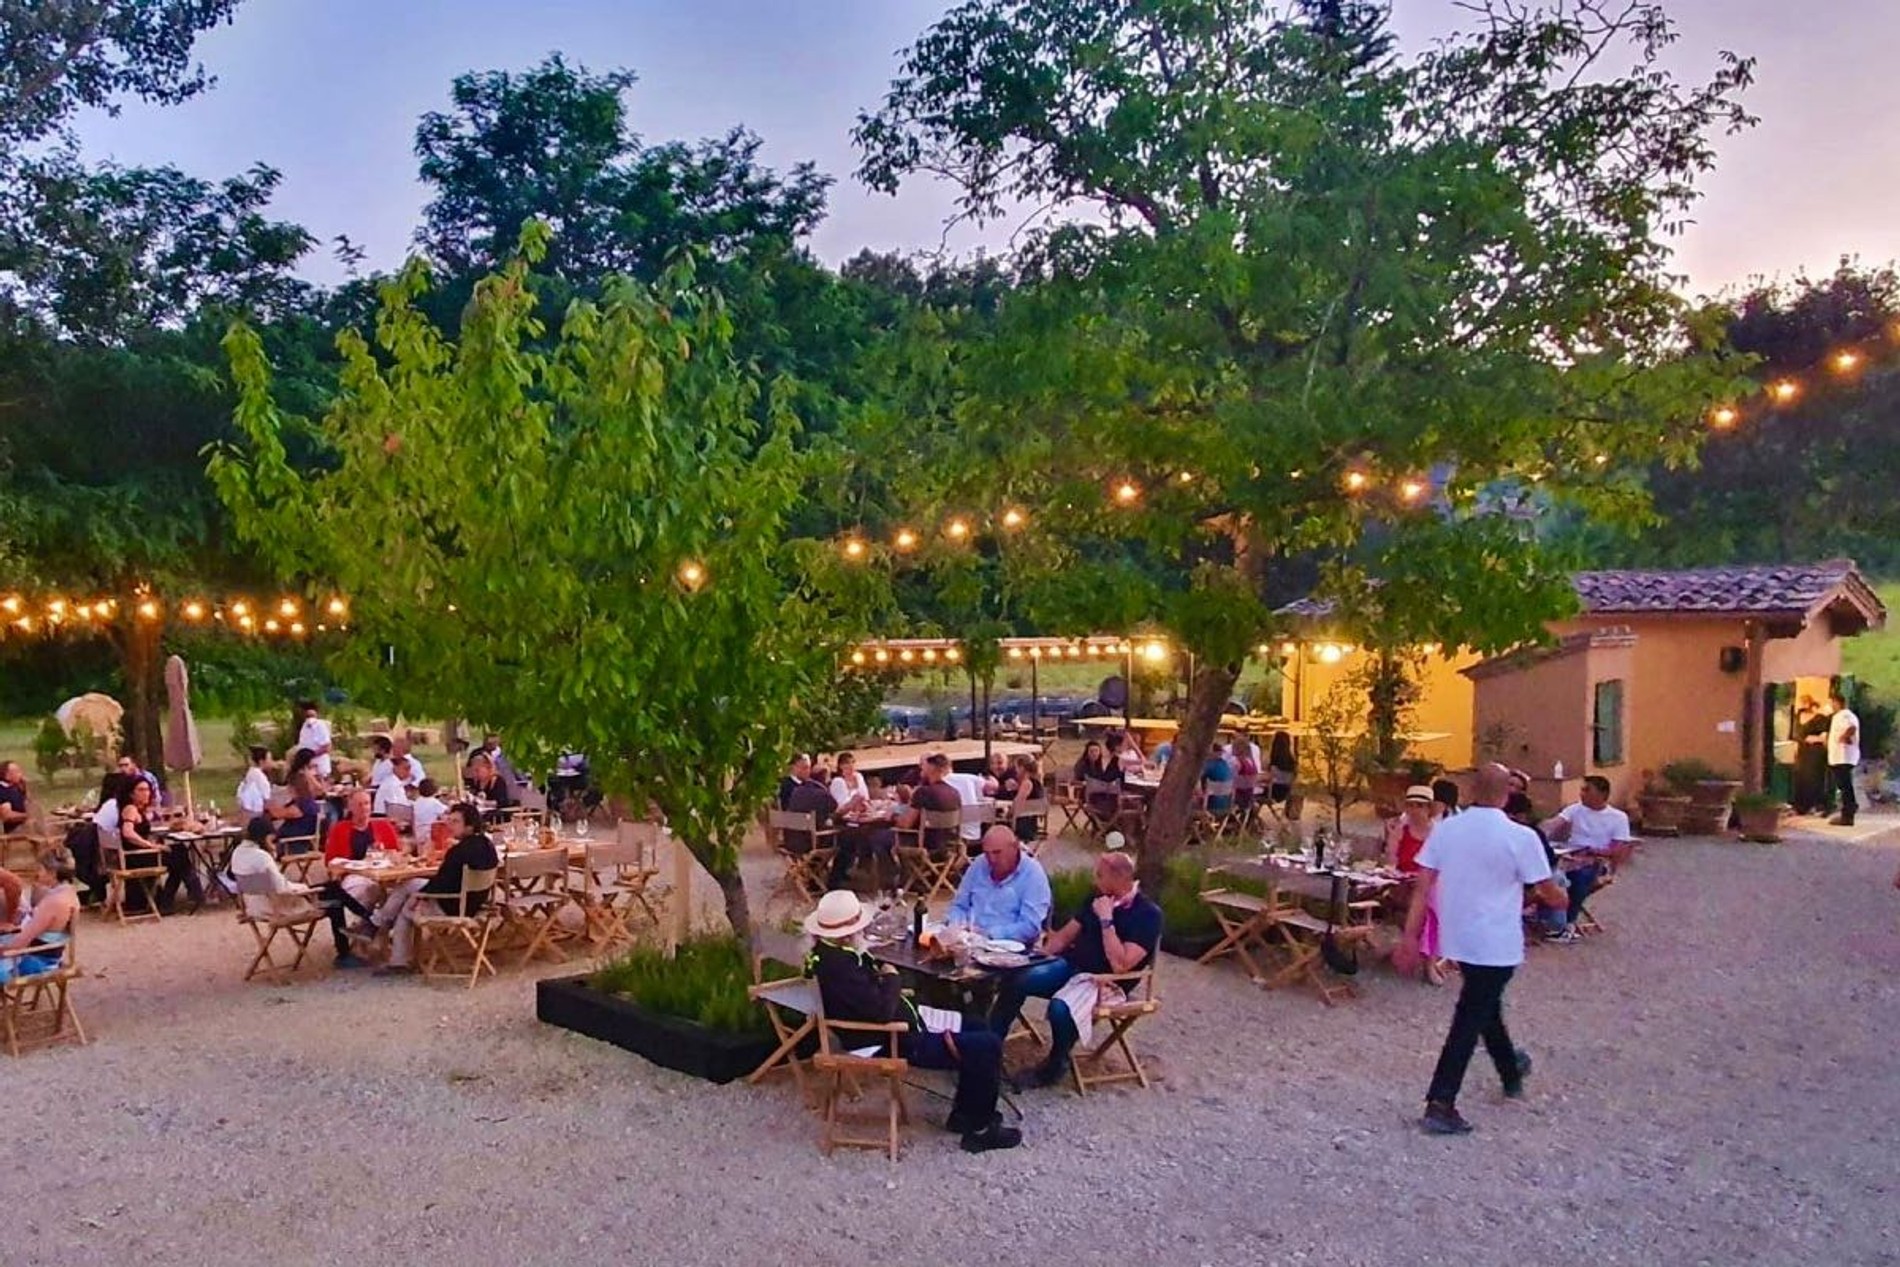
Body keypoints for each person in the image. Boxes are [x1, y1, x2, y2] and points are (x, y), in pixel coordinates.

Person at [1395, 763, 1567, 1135]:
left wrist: (1410, 937)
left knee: (1483, 1006)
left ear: (1472, 790)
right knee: (1471, 1016)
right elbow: (1546, 889)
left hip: (1458, 936)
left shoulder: (1446, 831)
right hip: (1496, 941)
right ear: (1507, 794)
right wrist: (1561, 898)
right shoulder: (1520, 837)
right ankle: (1441, 1102)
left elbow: (1423, 887)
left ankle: (1510, 1069)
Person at [805, 889, 1020, 1153]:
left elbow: (867, 1000)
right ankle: (979, 1128)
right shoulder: (841, 968)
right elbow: (882, 1011)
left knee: (976, 1025)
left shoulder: (830, 956)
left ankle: (965, 1114)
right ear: (848, 933)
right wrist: (892, 978)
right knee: (986, 1046)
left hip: (899, 1026)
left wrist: (888, 983)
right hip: (891, 1039)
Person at [990, 850, 1161, 1088]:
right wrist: (1037, 956)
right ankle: (989, 1045)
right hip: (1072, 965)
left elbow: (1121, 965)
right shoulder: (1097, 896)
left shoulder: (1147, 914)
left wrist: (1107, 921)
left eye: (1100, 875)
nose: (1095, 880)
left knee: (1061, 1008)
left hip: (1105, 981)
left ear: (1119, 878)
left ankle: (1055, 1064)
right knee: (1018, 978)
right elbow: (1066, 935)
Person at [370, 803, 500, 976]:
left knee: (406, 907)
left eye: (456, 822)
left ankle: (396, 956)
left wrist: (419, 897)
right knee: (409, 885)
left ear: (469, 825)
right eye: (450, 820)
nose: (450, 825)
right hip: (474, 903)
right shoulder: (488, 846)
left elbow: (441, 883)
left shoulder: (459, 851)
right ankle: (381, 924)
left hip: (453, 906)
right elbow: (444, 881)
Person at [1539, 775, 1634, 943]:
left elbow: (1617, 850)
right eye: (1582, 790)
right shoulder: (1575, 809)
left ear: (1602, 794)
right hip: (1570, 857)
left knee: (1579, 877)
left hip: (1597, 861)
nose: (1582, 793)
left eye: (1586, 790)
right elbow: (1555, 823)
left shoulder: (1618, 817)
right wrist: (1539, 831)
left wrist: (1591, 851)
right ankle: (1549, 917)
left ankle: (1568, 924)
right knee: (1548, 874)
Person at [946, 826, 1050, 944]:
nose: (992, 859)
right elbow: (959, 905)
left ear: (1015, 847)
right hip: (969, 940)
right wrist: (957, 925)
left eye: (997, 853)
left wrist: (990, 934)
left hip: (1006, 946)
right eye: (987, 853)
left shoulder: (1032, 874)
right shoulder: (979, 864)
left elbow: (1030, 927)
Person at [1385, 786, 1446, 985]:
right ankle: (1425, 960)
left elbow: (1443, 865)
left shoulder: (1438, 833)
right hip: (1402, 883)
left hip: (1430, 884)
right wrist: (1396, 872)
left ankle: (1429, 962)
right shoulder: (1401, 829)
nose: (1414, 810)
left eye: (1419, 806)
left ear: (1429, 808)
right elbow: (1391, 859)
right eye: (1410, 805)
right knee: (1426, 904)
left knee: (1432, 905)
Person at [0, 846, 80, 982]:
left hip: (36, 962)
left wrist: (3, 949)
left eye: (40, 869)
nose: (38, 873)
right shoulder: (68, 894)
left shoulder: (53, 902)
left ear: (52, 873)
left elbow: (18, 944)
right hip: (48, 956)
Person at [895, 754, 962, 856]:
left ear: (930, 769)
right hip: (949, 845)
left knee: (878, 838)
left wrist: (893, 816)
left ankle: (895, 867)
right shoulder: (955, 792)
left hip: (925, 845)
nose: (921, 771)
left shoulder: (923, 792)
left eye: (923, 768)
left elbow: (905, 825)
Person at [1790, 697, 1830, 815]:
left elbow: (1824, 737)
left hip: (1815, 751)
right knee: (1800, 775)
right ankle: (1801, 806)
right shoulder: (1797, 717)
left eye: (1805, 703)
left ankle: (1816, 804)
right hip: (1802, 750)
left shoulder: (1820, 718)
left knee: (1814, 776)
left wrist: (1815, 738)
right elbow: (1796, 735)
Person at [1828, 688, 1861, 826]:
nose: (1831, 706)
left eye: (1832, 703)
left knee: (1845, 785)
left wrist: (1844, 737)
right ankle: (1849, 809)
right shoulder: (1841, 716)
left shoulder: (1844, 715)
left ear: (1837, 702)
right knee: (1844, 785)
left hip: (1843, 756)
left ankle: (1848, 812)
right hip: (1840, 756)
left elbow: (1851, 728)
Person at [941, 762, 988, 851]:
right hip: (975, 835)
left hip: (950, 838)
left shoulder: (939, 782)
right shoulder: (970, 778)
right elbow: (992, 786)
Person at [1007, 755, 1044, 844]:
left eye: (1016, 768)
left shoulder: (1027, 783)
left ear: (1022, 768)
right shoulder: (1037, 781)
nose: (1015, 771)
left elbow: (1018, 803)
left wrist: (1009, 814)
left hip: (1024, 824)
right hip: (1032, 821)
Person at [296, 701, 334, 781]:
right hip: (307, 767)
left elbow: (327, 747)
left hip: (319, 768)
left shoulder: (320, 725)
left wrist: (310, 754)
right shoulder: (304, 726)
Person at [409, 779, 449, 851]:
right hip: (430, 833)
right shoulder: (434, 802)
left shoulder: (417, 802)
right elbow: (447, 811)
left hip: (418, 832)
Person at [235, 746, 272, 818]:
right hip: (257, 813)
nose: (271, 762)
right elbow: (267, 798)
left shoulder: (251, 773)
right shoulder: (260, 777)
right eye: (269, 759)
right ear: (261, 761)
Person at [1202, 743, 1236, 815]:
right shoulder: (1225, 764)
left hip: (1211, 806)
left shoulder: (1208, 765)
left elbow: (1198, 781)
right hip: (1227, 805)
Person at [1265, 730, 1297, 804]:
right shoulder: (1292, 762)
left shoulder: (1274, 763)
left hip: (1273, 794)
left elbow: (1269, 780)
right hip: (1286, 793)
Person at [0, 760, 28, 833]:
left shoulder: (15, 788)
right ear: (7, 775)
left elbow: (29, 804)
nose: (20, 774)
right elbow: (7, 816)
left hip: (25, 825)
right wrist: (27, 816)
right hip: (15, 831)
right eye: (17, 772)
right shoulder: (2, 790)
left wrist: (25, 788)